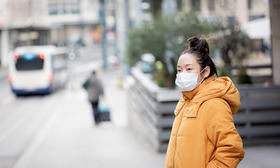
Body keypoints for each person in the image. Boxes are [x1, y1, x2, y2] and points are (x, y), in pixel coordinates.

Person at [165, 37, 244, 168]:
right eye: (179, 70)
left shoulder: (214, 104)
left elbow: (232, 149)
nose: (182, 74)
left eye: (189, 69)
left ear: (205, 72)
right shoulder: (186, 101)